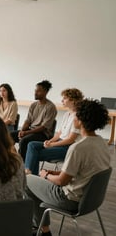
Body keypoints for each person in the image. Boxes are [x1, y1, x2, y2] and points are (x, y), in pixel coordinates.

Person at [26, 99, 111, 236]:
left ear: (81, 120)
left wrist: (45, 175)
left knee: (27, 180)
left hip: (69, 199)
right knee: (35, 180)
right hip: (90, 199)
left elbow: (61, 182)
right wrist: (57, 172)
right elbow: (84, 172)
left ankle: (43, 230)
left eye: (76, 115)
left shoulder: (78, 148)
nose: (74, 117)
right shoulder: (102, 143)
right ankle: (40, 226)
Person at [25, 88, 84, 175]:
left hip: (68, 148)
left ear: (73, 100)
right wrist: (50, 141)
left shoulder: (78, 116)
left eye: (64, 98)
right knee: (31, 144)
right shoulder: (67, 114)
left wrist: (52, 145)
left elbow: (71, 140)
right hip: (60, 143)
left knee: (34, 154)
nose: (62, 100)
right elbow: (59, 133)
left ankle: (29, 177)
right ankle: (30, 177)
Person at [10, 80, 57, 161]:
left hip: (43, 135)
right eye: (35, 90)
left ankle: (22, 165)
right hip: (30, 131)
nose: (35, 93)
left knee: (24, 141)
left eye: (38, 91)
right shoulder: (33, 105)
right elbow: (28, 121)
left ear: (45, 92)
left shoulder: (51, 107)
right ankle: (14, 159)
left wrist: (26, 133)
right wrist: (21, 131)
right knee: (8, 135)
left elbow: (44, 127)